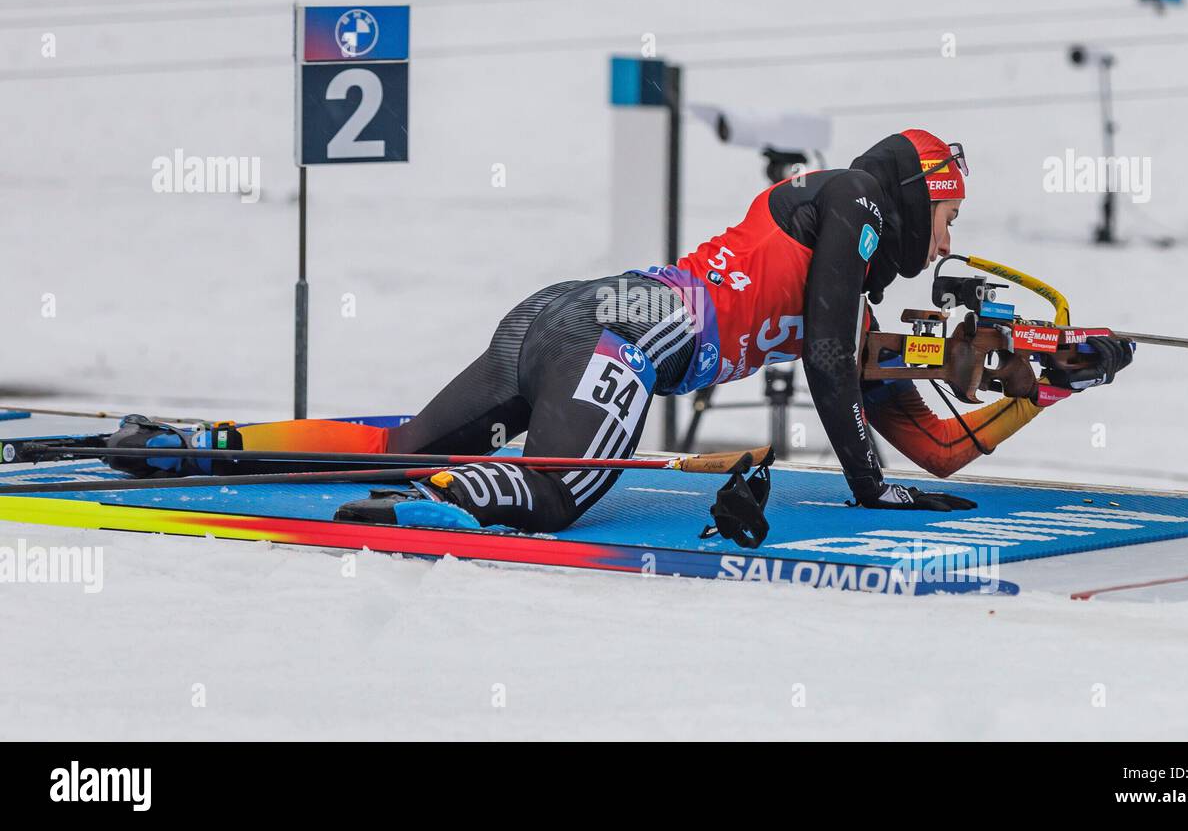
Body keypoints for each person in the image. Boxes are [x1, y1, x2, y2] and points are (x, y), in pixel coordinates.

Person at [106, 130, 1132, 533]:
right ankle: (445, 489)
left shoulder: (848, 292)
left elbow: (935, 448)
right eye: (948, 214)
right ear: (913, 198)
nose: (950, 237)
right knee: (560, 497)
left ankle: (203, 445)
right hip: (620, 337)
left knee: (406, 441)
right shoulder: (857, 204)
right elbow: (827, 361)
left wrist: (1048, 381)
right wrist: (867, 488)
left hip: (569, 309)